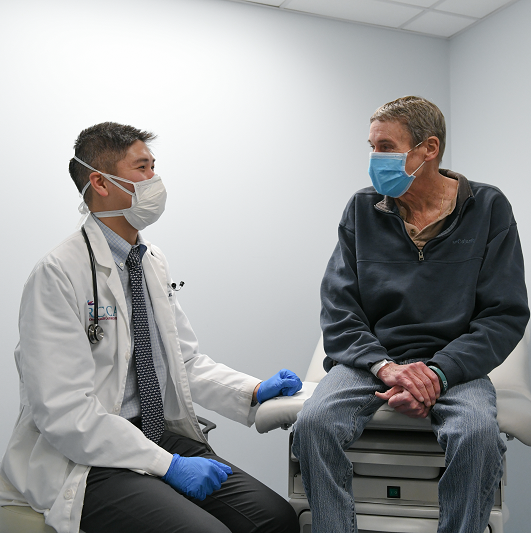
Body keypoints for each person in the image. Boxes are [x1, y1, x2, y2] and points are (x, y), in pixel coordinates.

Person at [0, 122, 301, 533]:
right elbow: (64, 412)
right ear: (100, 182)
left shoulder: (149, 260)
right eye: (142, 168)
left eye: (154, 167)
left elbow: (183, 362)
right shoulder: (57, 273)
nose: (154, 179)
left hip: (157, 434)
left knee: (275, 518)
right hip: (89, 456)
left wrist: (251, 390)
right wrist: (169, 466)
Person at [292, 96, 529, 533]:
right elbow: (339, 308)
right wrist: (386, 367)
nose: (374, 159)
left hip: (454, 365)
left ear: (429, 149)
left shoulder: (489, 208)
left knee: (477, 436)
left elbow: (504, 313)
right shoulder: (363, 209)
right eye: (371, 146)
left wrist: (437, 374)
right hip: (372, 361)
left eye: (385, 147)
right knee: (312, 425)